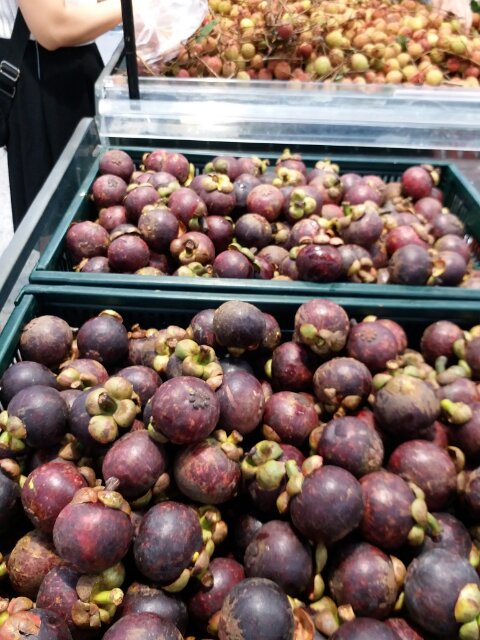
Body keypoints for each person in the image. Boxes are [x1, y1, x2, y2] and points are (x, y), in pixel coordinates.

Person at [0, 0, 123, 229]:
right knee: (52, 226)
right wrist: (136, 6)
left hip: (73, 66)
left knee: (93, 210)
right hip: (41, 75)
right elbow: (53, 28)